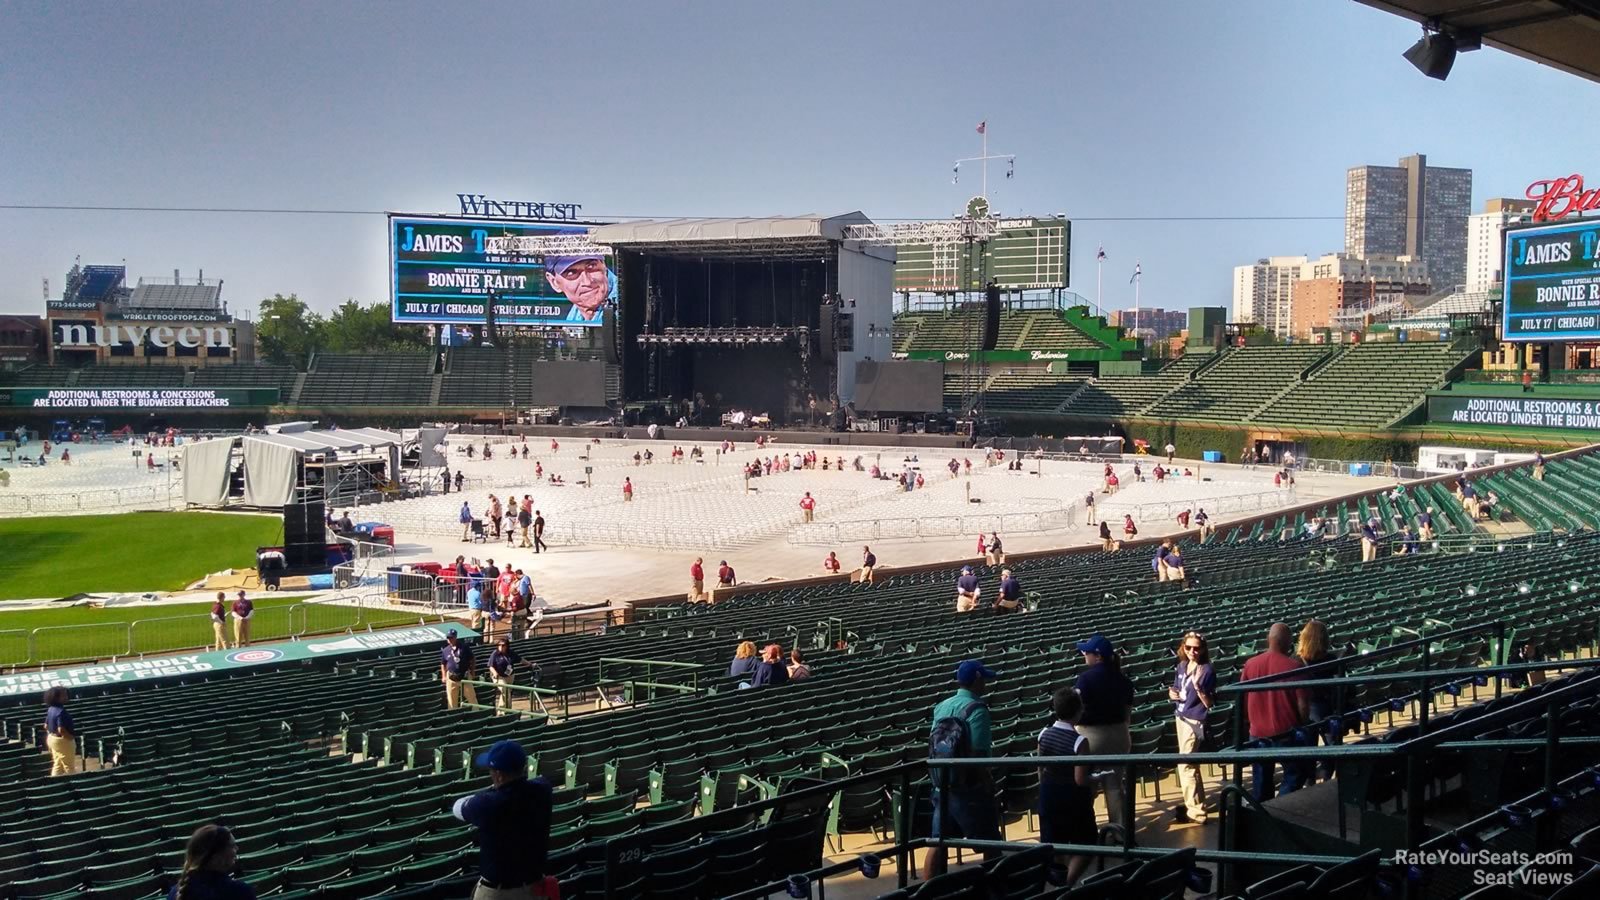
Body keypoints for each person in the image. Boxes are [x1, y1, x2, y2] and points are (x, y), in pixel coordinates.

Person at [923, 659, 1001, 879]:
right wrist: (987, 785)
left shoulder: (941, 706)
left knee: (937, 842)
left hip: (942, 784)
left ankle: (927, 892)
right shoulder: (978, 710)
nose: (986, 682)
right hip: (970, 788)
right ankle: (993, 890)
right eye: (983, 678)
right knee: (991, 845)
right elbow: (978, 755)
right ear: (977, 680)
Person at [452, 740, 554, 900]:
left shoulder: (488, 804)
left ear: (498, 775)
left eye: (491, 770)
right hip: (535, 889)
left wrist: (491, 791)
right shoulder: (543, 790)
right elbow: (536, 783)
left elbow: (457, 808)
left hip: (499, 893)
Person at [1242, 623, 1310, 800]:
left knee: (1261, 781)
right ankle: (1279, 806)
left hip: (1257, 733)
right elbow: (1303, 705)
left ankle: (1263, 815)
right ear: (1288, 642)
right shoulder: (1295, 667)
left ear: (1268, 639)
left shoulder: (1250, 664)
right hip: (1286, 733)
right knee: (1296, 773)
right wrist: (1303, 724)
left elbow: (1242, 698)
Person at [1073, 633, 1134, 829]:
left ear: (1097, 656)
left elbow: (1076, 711)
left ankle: (1085, 830)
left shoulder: (1085, 679)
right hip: (1119, 735)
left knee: (1086, 787)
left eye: (1087, 652)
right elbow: (1127, 713)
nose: (1084, 655)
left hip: (1092, 737)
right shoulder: (1123, 679)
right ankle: (1121, 834)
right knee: (1115, 786)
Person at [1037, 687, 1094, 887]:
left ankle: (1058, 885)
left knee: (1056, 847)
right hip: (1072, 800)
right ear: (1078, 711)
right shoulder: (1080, 741)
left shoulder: (1043, 734)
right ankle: (1067, 885)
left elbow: (1041, 768)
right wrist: (1097, 779)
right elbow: (1080, 779)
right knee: (1087, 845)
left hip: (1048, 794)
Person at [1168, 631, 1215, 824]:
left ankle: (1196, 812)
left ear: (1203, 649)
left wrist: (1199, 689)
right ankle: (1196, 804)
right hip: (1181, 717)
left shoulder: (1207, 670)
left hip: (1194, 720)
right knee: (1191, 765)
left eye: (1196, 648)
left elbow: (1209, 703)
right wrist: (1172, 694)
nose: (1192, 652)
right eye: (1188, 648)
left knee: (1185, 765)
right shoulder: (1182, 666)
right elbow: (1177, 687)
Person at [1295, 619, 1340, 782]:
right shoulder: (1332, 658)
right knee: (1332, 746)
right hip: (1327, 707)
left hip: (1306, 708)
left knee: (1309, 748)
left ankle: (1310, 780)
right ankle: (1326, 775)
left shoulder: (1297, 661)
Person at [168, 824, 253, 900]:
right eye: (232, 846)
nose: (237, 849)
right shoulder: (239, 891)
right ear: (216, 855)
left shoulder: (175, 892)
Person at [544, 252, 613, 323]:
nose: (587, 282)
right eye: (571, 273)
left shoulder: (622, 307)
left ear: (604, 266)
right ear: (554, 282)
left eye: (591, 266)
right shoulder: (574, 316)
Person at [487, 637, 533, 712]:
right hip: (499, 676)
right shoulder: (495, 654)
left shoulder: (511, 653)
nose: (501, 647)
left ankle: (508, 710)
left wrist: (529, 664)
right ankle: (501, 711)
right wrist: (495, 673)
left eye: (503, 645)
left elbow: (520, 660)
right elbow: (490, 666)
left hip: (510, 675)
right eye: (499, 645)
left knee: (507, 693)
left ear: (507, 646)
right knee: (505, 691)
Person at [441, 629, 479, 709]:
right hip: (451, 677)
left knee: (472, 698)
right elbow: (443, 664)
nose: (449, 640)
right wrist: (443, 676)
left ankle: (476, 714)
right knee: (451, 700)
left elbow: (472, 659)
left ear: (455, 637)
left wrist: (472, 671)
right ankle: (453, 717)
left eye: (451, 638)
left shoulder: (464, 647)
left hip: (464, 676)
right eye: (448, 638)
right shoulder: (445, 650)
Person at [43, 686, 76, 777]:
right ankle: (76, 784)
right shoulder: (61, 712)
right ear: (56, 697)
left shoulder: (51, 709)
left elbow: (45, 726)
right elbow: (61, 729)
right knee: (69, 766)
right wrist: (69, 737)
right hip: (62, 740)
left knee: (58, 764)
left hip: (51, 738)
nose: (66, 696)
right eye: (64, 695)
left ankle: (54, 783)